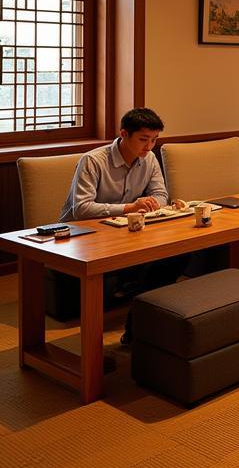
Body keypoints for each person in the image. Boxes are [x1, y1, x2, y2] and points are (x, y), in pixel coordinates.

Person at [60, 107, 182, 345]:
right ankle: (132, 324)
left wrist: (151, 204)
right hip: (82, 235)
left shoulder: (149, 159)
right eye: (143, 140)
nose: (149, 147)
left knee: (175, 254)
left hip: (124, 230)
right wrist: (129, 208)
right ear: (124, 134)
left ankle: (139, 324)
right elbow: (81, 209)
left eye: (154, 140)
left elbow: (160, 194)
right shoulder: (93, 161)